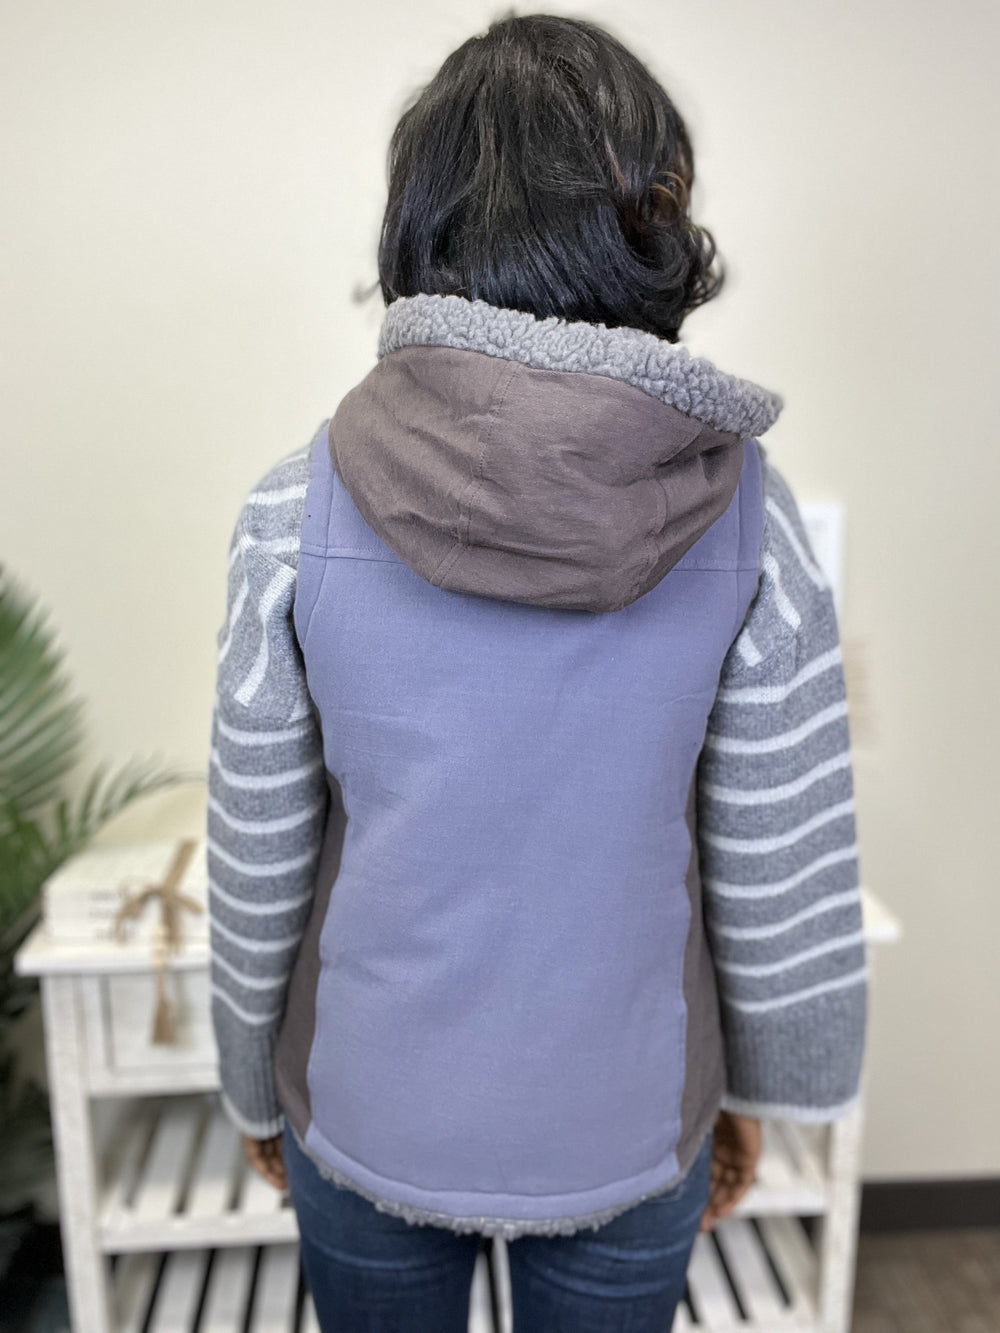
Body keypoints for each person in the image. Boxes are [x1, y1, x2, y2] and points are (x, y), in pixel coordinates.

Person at [207, 12, 869, 1330]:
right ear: (652, 222)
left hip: (368, 1106)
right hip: (631, 1119)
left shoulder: (295, 508)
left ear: (424, 224)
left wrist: (248, 1082)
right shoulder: (750, 514)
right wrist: (758, 1087)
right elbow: (780, 850)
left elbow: (255, 848)